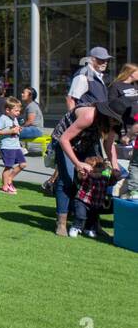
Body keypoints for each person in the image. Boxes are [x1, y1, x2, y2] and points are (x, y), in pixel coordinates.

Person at [50, 83, 136, 236]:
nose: (116, 123)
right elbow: (64, 139)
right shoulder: (89, 115)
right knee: (68, 180)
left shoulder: (113, 123)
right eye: (115, 120)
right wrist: (77, 164)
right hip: (64, 142)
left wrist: (115, 167)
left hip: (87, 142)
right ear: (108, 114)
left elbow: (108, 145)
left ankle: (93, 225)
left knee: (96, 179)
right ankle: (61, 222)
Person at [70, 156, 110, 238]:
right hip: (82, 200)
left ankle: (88, 229)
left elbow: (113, 179)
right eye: (96, 167)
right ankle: (75, 227)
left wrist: (112, 170)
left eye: (100, 167)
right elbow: (81, 176)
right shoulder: (87, 175)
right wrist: (81, 171)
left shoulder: (105, 177)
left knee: (92, 218)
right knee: (80, 215)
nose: (98, 169)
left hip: (95, 203)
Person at [0, 97, 26, 193]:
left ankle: (9, 179)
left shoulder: (15, 118)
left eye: (19, 111)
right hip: (7, 147)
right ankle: (5, 186)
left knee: (23, 164)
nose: (18, 113)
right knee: (8, 166)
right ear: (8, 110)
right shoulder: (2, 118)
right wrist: (10, 131)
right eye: (16, 111)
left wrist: (19, 129)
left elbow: (14, 129)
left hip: (16, 146)